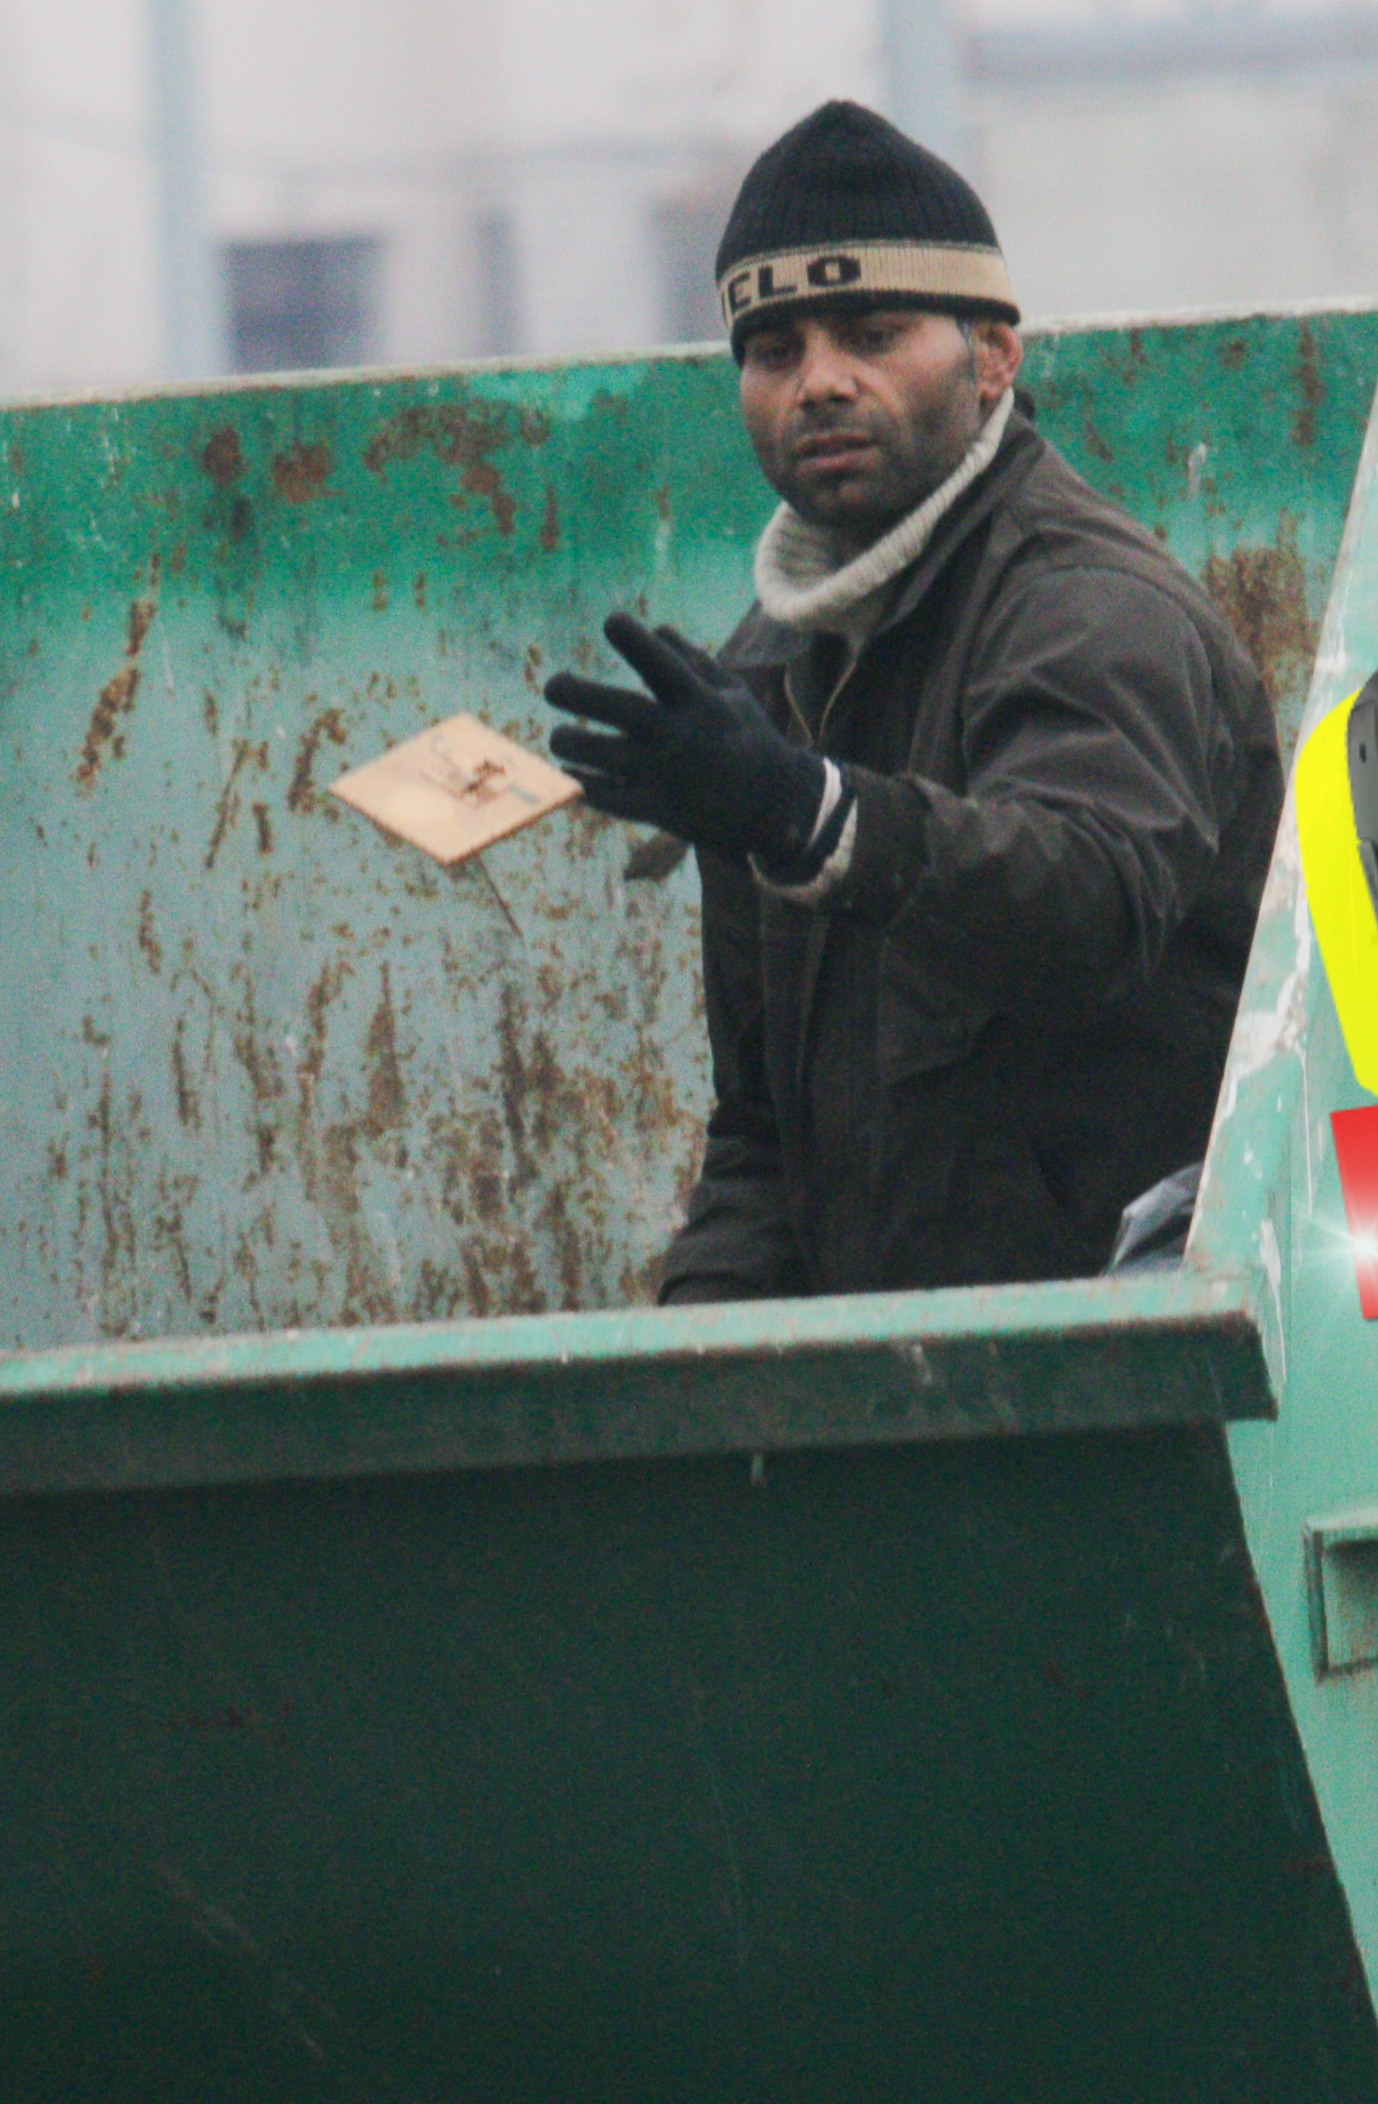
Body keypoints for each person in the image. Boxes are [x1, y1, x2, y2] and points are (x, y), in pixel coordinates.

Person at [537, 99, 1280, 1302]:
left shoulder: (1089, 608)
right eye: (775, 353)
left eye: (872, 335)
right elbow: (764, 1132)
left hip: (1125, 1347)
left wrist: (811, 817)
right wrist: (700, 1359)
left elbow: (1089, 900)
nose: (820, 384)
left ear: (994, 358)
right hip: (900, 1366)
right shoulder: (768, 670)